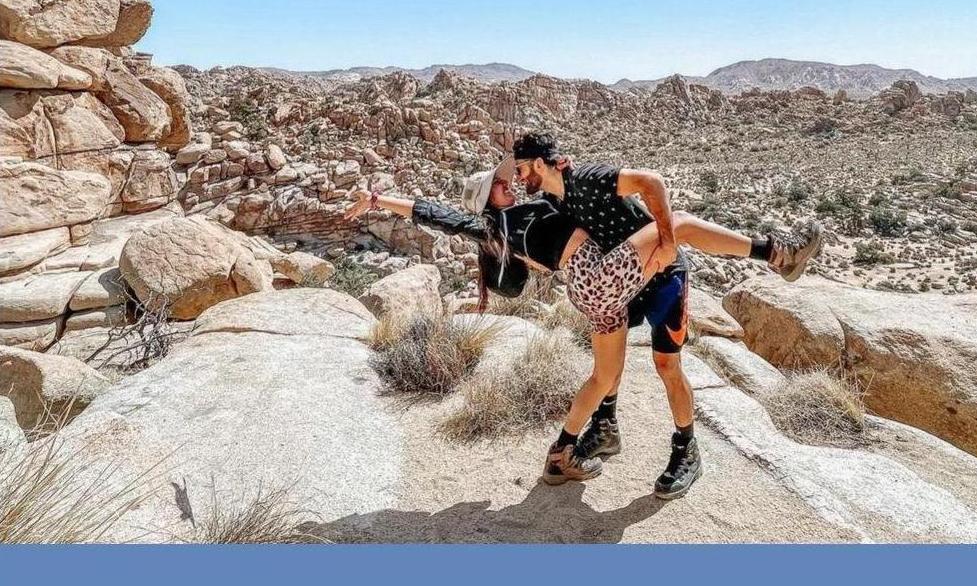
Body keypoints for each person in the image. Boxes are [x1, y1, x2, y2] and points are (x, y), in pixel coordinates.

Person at [345, 147, 822, 500]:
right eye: (500, 183)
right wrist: (384, 201)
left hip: (592, 291)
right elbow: (437, 215)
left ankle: (565, 452)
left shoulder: (529, 210)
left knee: (608, 375)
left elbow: (433, 213)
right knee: (687, 226)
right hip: (603, 278)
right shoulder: (495, 226)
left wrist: (378, 198)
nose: (510, 182)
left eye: (510, 177)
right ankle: (777, 253)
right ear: (486, 201)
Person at [510, 130, 821, 500]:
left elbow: (652, 183)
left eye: (522, 168)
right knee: (611, 363)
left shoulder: (588, 178)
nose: (518, 177)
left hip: (664, 275)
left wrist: (669, 243)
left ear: (541, 164)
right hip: (626, 280)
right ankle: (606, 426)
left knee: (667, 366)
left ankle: (686, 450)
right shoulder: (554, 201)